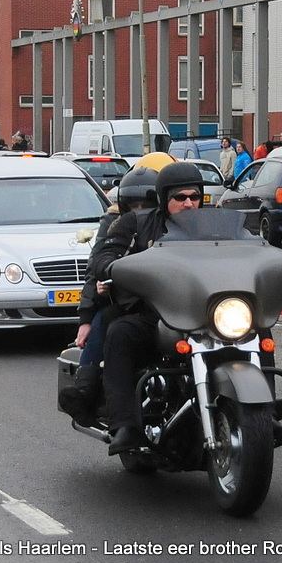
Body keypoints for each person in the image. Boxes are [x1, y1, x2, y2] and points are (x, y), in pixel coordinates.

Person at [89, 162, 208, 454]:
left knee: (256, 328)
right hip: (156, 314)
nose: (189, 203)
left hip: (208, 315)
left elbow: (253, 249)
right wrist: (116, 268)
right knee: (119, 333)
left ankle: (263, 409)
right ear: (164, 199)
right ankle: (126, 426)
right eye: (180, 198)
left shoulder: (218, 227)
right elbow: (103, 257)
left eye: (194, 196)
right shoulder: (137, 223)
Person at [58, 152, 176, 426]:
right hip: (122, 299)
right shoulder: (114, 223)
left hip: (170, 301)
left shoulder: (178, 222)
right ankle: (86, 390)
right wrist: (85, 316)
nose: (139, 210)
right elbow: (95, 267)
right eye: (132, 204)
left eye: (145, 203)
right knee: (107, 321)